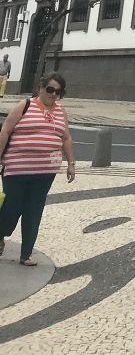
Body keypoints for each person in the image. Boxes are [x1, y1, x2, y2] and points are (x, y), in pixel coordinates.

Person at [0, 72, 76, 265]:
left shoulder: (60, 111)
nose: (53, 94)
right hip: (16, 170)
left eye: (57, 92)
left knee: (34, 210)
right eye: (50, 89)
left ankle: (26, 254)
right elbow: (6, 130)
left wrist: (71, 164)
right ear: (41, 88)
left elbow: (65, 137)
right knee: (11, 208)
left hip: (45, 173)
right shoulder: (24, 105)